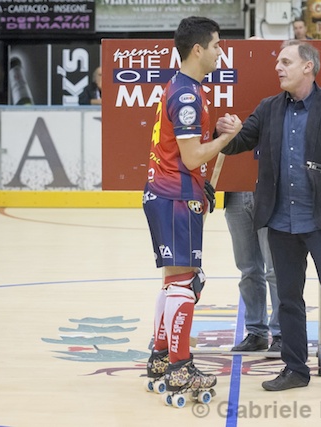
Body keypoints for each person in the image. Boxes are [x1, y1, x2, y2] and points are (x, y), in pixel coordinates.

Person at [217, 40, 321, 398]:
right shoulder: (268, 108)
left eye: (285, 62)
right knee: (288, 301)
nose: (278, 67)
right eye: (278, 62)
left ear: (308, 67)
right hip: (281, 223)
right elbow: (238, 143)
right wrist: (226, 131)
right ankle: (295, 368)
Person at [142, 16, 242, 394]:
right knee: (187, 282)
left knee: (174, 281)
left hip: (167, 193)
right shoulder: (187, 95)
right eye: (216, 46)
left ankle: (161, 356)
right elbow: (191, 156)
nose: (220, 53)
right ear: (198, 49)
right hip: (176, 197)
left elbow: (186, 149)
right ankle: (180, 368)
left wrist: (213, 138)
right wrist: (226, 139)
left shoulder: (183, 87)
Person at [225, 190, 281, 353]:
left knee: (275, 270)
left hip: (267, 193)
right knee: (248, 269)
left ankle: (281, 333)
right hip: (235, 194)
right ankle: (256, 332)